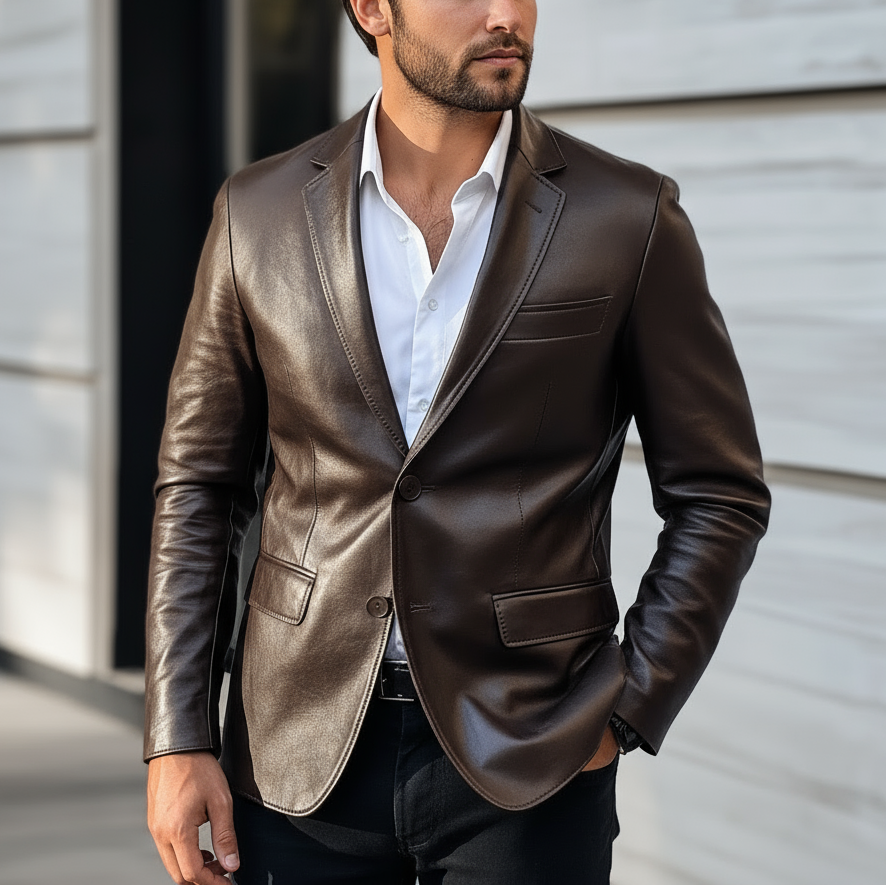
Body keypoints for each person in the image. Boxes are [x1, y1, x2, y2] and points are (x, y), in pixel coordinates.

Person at [144, 1, 771, 883]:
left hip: (530, 759)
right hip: (298, 752)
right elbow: (200, 485)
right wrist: (176, 734)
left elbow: (721, 491)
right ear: (371, 8)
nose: (505, 13)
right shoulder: (258, 212)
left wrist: (624, 708)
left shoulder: (626, 215)